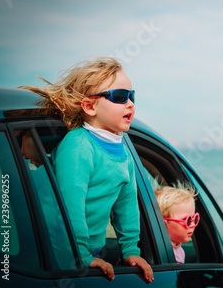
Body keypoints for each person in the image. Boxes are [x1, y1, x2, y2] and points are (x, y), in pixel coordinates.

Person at [20, 57, 153, 282]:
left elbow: (126, 206)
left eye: (132, 96)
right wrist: (79, 254)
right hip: (60, 253)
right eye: (120, 97)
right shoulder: (79, 146)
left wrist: (131, 250)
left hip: (90, 253)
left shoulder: (123, 150)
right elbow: (70, 206)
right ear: (90, 106)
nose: (130, 103)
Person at [154, 182, 199, 264]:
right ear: (163, 224)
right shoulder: (162, 252)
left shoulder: (179, 249)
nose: (193, 224)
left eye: (195, 218)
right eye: (187, 220)